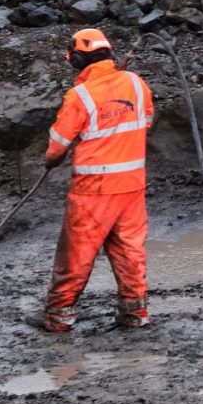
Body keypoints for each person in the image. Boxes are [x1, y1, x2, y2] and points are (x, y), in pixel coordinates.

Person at [38, 28, 155, 333]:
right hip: (131, 187)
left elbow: (56, 149)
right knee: (130, 250)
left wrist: (53, 160)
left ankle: (59, 315)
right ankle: (135, 312)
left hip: (94, 192)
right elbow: (146, 121)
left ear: (77, 59)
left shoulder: (80, 96)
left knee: (76, 253)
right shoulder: (136, 83)